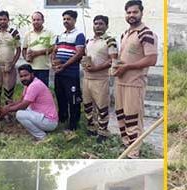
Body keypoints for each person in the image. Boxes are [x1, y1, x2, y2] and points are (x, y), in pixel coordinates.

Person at [114, 0, 158, 158]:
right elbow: (124, 58)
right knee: (121, 116)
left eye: (135, 12)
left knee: (133, 119)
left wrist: (127, 67)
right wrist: (118, 68)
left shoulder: (146, 33)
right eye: (128, 12)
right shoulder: (124, 34)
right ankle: (127, 147)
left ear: (141, 13)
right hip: (120, 81)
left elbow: (151, 59)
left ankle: (134, 154)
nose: (131, 15)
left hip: (135, 83)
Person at [0, 64, 58, 140]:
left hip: (49, 121)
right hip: (43, 117)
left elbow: (23, 105)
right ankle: (42, 130)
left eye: (26, 75)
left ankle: (41, 136)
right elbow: (21, 101)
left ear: (32, 74)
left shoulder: (34, 85)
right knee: (24, 109)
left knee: (20, 114)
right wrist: (9, 106)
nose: (23, 78)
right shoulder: (28, 84)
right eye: (21, 76)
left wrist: (7, 110)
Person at [82, 15, 118, 143]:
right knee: (87, 105)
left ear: (106, 26)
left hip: (100, 79)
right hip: (87, 78)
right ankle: (91, 128)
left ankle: (103, 132)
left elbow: (112, 60)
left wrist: (96, 68)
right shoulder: (89, 41)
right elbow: (86, 57)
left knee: (102, 106)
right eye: (96, 23)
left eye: (101, 24)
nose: (98, 26)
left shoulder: (110, 40)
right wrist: (85, 63)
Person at [52, 10, 85, 138]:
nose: (66, 21)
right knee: (60, 96)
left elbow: (79, 54)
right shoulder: (60, 35)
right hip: (59, 73)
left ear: (74, 20)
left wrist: (64, 65)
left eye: (68, 19)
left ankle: (73, 124)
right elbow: (54, 50)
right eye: (64, 19)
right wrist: (54, 62)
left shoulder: (79, 35)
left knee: (73, 99)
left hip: (71, 74)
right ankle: (62, 120)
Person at [0, 11, 21, 107]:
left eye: (4, 19)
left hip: (8, 65)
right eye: (0, 19)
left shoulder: (14, 33)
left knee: (9, 89)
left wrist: (12, 63)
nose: (2, 21)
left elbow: (18, 50)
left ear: (8, 20)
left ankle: (7, 112)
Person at [22, 11, 54, 86]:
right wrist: (26, 58)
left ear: (43, 21)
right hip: (30, 69)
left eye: (38, 20)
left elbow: (52, 48)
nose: (36, 22)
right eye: (34, 20)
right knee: (31, 90)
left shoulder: (49, 33)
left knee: (42, 89)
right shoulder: (28, 34)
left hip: (43, 68)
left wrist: (36, 53)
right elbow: (24, 49)